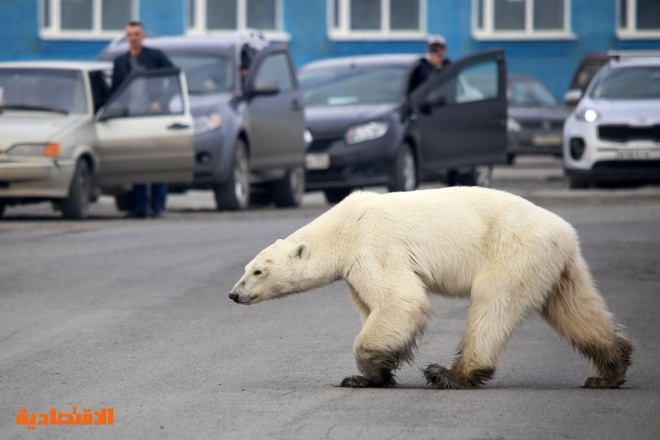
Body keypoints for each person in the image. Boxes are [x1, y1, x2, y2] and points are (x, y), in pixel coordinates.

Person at [110, 20, 174, 219]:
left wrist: (161, 102)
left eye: (137, 34)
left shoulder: (155, 57)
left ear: (143, 35)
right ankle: (138, 208)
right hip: (132, 118)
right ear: (125, 37)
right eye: (130, 34)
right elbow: (115, 91)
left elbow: (173, 79)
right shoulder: (120, 62)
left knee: (158, 162)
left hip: (155, 117)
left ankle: (158, 206)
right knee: (136, 163)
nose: (134, 38)